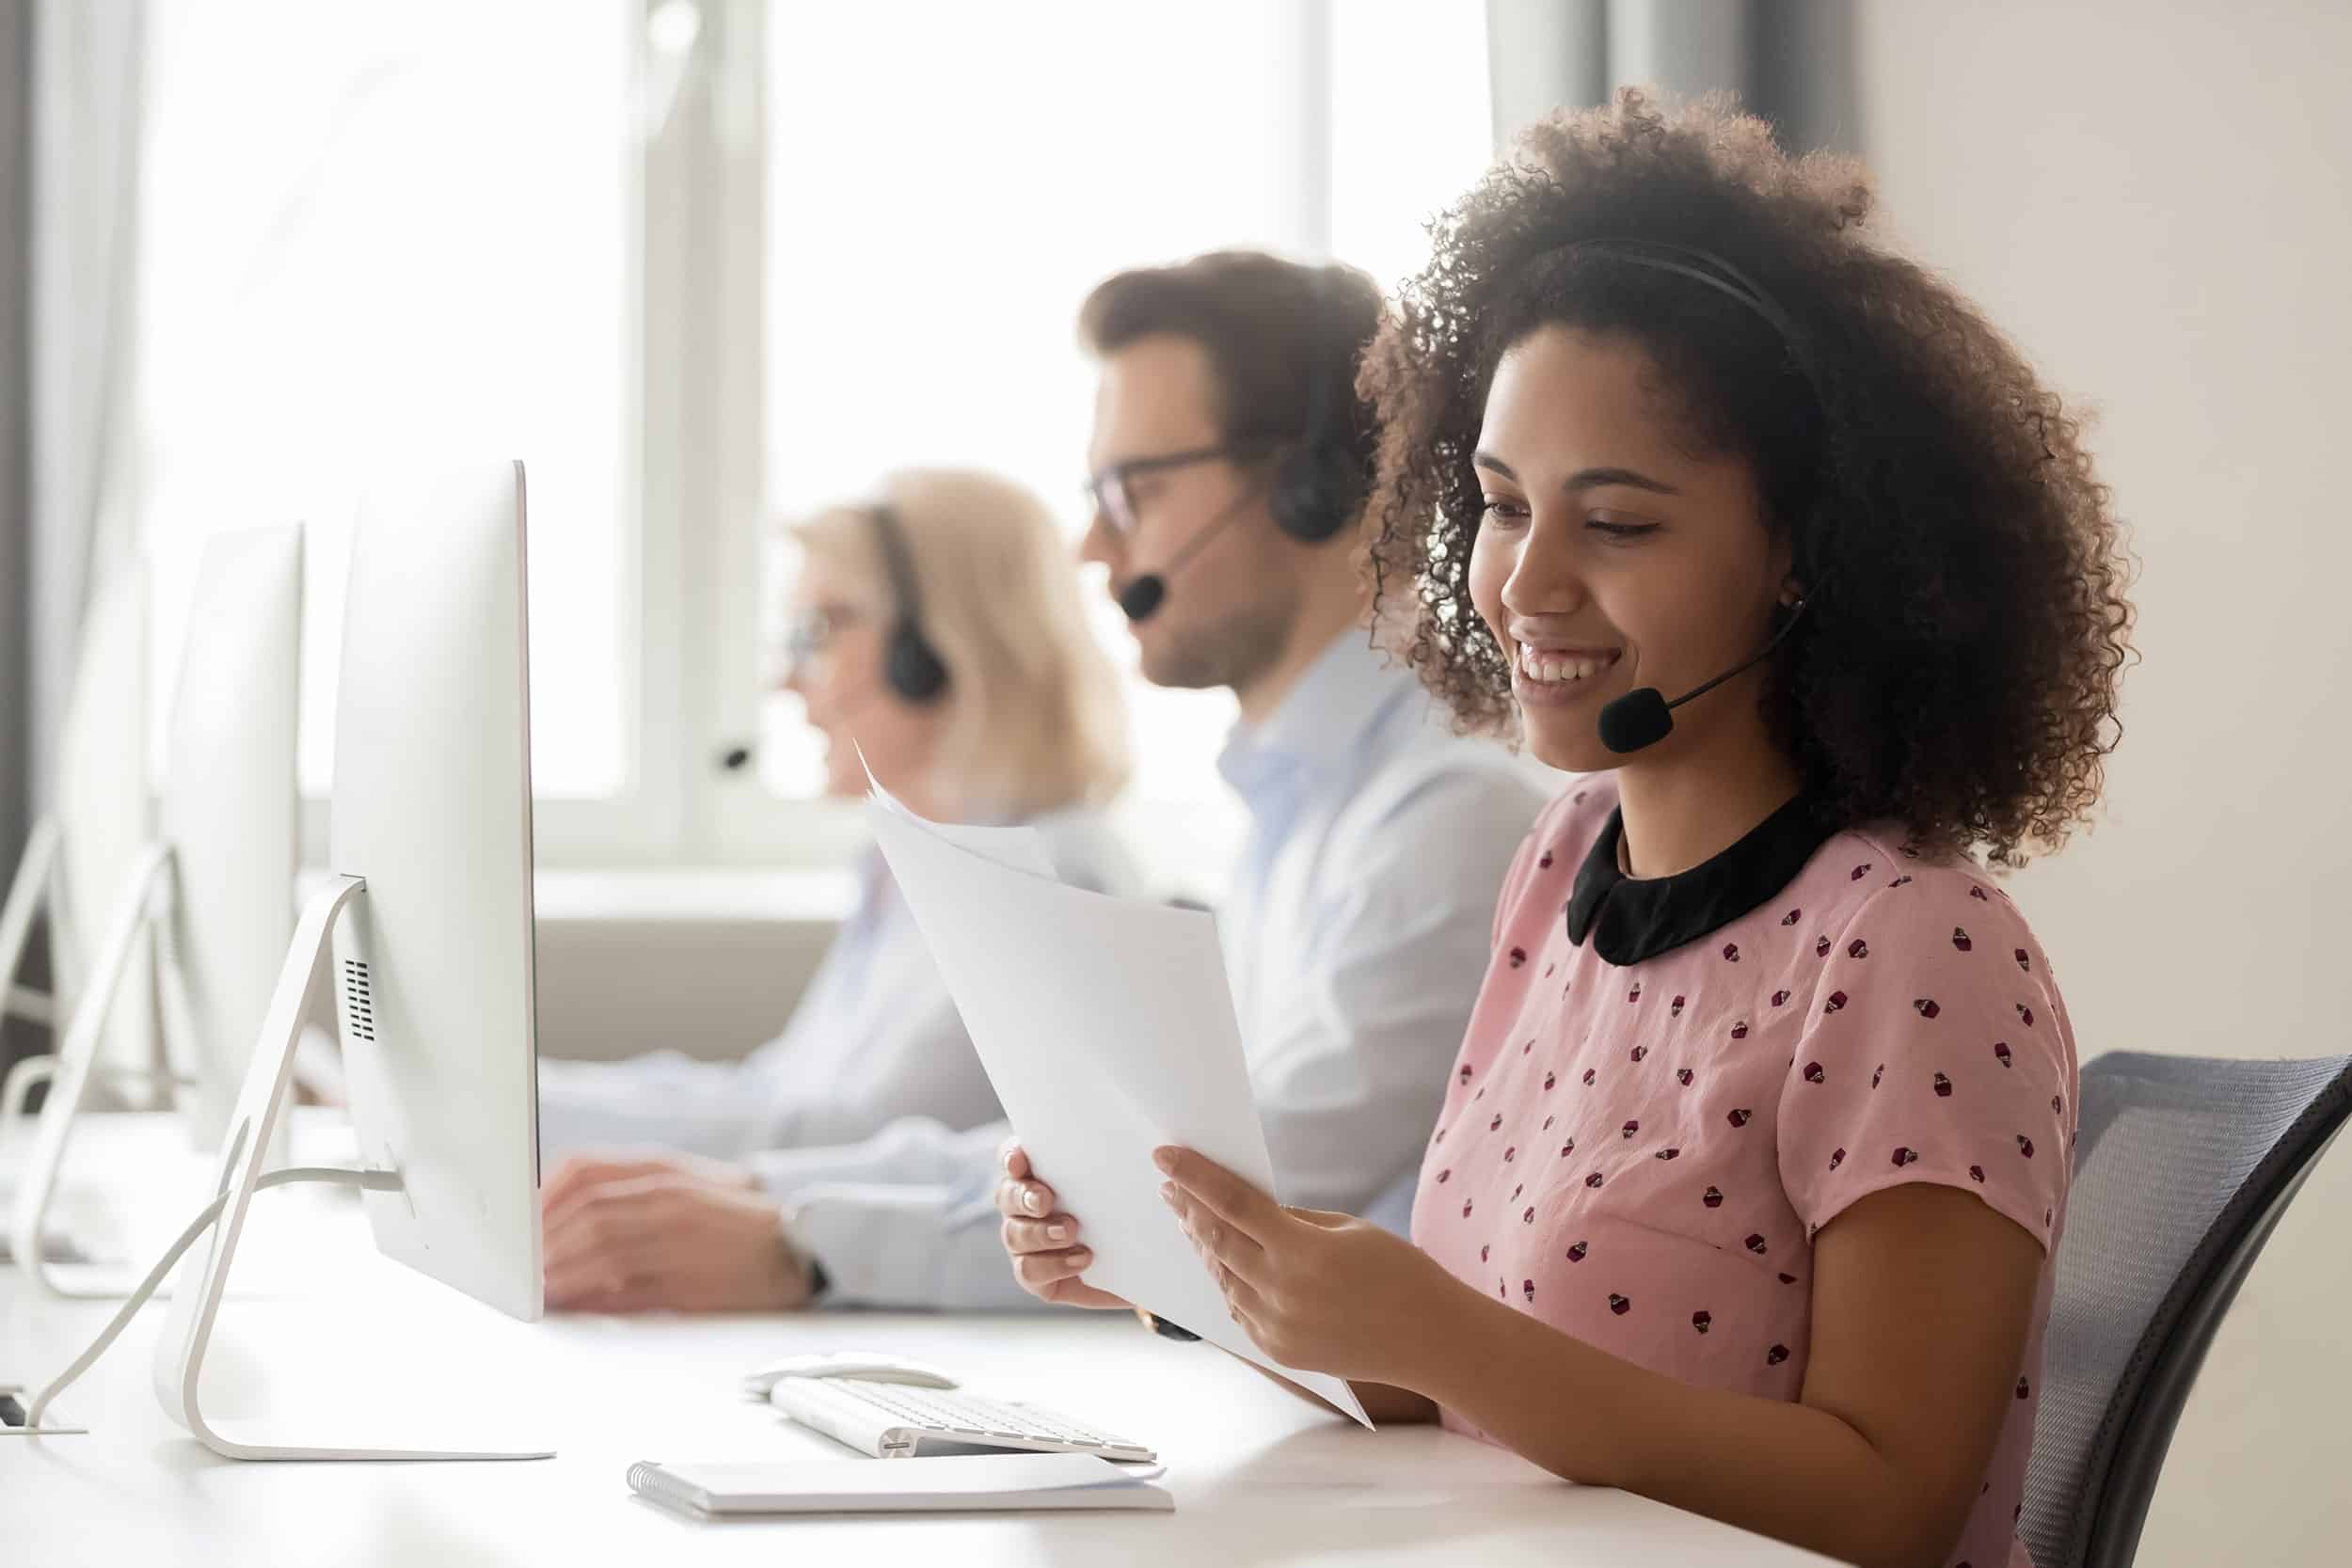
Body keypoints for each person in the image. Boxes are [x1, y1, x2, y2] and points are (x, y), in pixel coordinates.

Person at [1000, 92, 2133, 1568]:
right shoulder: (1558, 868)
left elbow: (1891, 1501)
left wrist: (1440, 1331)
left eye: (1619, 523)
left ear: (1804, 554)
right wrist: (1185, 1269)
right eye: (1499, 503)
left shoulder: (1915, 942)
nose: (1524, 584)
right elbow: (1474, 1391)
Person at [545, 249, 1543, 1315]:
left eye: (1136, 490)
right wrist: (773, 1197)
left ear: (1312, 489)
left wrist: (812, 1239)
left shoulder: (1444, 816)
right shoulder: (1289, 817)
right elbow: (1105, 1155)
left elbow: (1238, 1196)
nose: (1092, 543)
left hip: (1390, 1447)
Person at [537, 467, 1136, 1310]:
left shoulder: (1049, 882)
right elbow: (772, 1095)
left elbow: (841, 1134)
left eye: (820, 630)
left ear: (935, 648)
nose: (789, 682)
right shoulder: (910, 869)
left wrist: (505, 1116)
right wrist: (507, 1095)